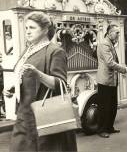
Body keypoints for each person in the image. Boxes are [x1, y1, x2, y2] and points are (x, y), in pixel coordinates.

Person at [3, 11, 77, 152]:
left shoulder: (55, 51)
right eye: (26, 28)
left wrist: (38, 75)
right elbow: (25, 76)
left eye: (32, 28)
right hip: (24, 114)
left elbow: (60, 84)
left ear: (44, 30)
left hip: (44, 115)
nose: (28, 32)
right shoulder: (28, 50)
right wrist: (12, 89)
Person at [97, 24, 127, 138]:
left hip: (111, 80)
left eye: (118, 32)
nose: (118, 35)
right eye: (116, 32)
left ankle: (109, 127)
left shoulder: (109, 43)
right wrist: (125, 69)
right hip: (105, 80)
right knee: (104, 106)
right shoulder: (104, 44)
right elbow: (110, 62)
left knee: (112, 106)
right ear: (109, 32)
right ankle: (102, 129)